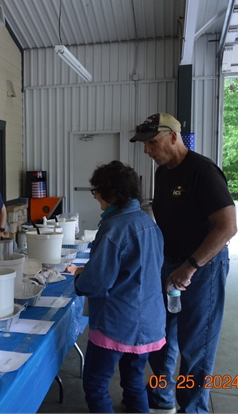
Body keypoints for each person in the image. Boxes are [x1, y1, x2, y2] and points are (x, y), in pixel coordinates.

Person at [130, 113, 238, 413]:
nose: (147, 151)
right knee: (159, 337)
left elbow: (227, 227)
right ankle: (163, 400)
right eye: (145, 144)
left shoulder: (201, 171)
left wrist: (190, 267)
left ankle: (193, 409)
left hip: (202, 269)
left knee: (196, 348)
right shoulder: (163, 171)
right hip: (169, 265)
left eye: (152, 142)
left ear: (173, 136)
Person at [72, 160, 166, 413]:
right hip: (149, 320)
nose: (95, 197)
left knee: (95, 384)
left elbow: (97, 283)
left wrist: (79, 279)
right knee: (134, 382)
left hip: (117, 322)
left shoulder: (114, 227)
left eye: (96, 191)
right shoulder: (149, 223)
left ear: (109, 193)